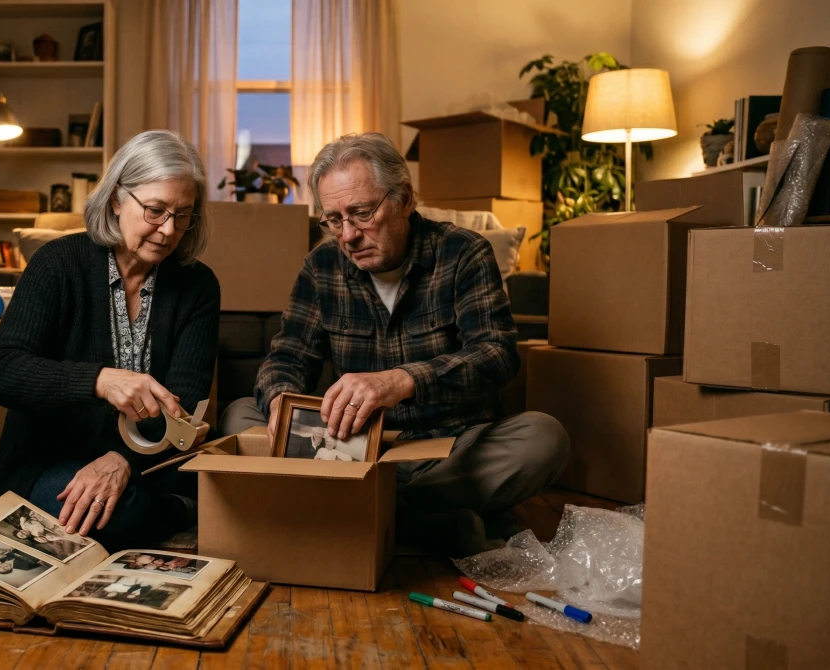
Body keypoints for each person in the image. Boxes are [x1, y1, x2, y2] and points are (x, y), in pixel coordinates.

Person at [220, 133, 569, 557]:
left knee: (545, 438)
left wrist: (402, 381)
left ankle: (371, 513)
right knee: (240, 414)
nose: (347, 235)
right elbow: (288, 357)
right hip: (348, 451)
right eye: (333, 220)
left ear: (403, 198)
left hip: (448, 450)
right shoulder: (321, 266)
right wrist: (278, 401)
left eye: (361, 213)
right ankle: (421, 524)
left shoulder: (463, 253)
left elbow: (496, 353)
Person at [0, 130, 220, 551]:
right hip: (48, 461)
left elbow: (184, 399)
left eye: (183, 215)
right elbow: (0, 371)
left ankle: (171, 500)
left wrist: (122, 460)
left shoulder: (198, 285)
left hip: (152, 464)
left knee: (231, 484)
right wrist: (101, 381)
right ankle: (178, 510)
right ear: (115, 198)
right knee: (112, 515)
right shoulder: (57, 264)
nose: (168, 230)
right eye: (155, 210)